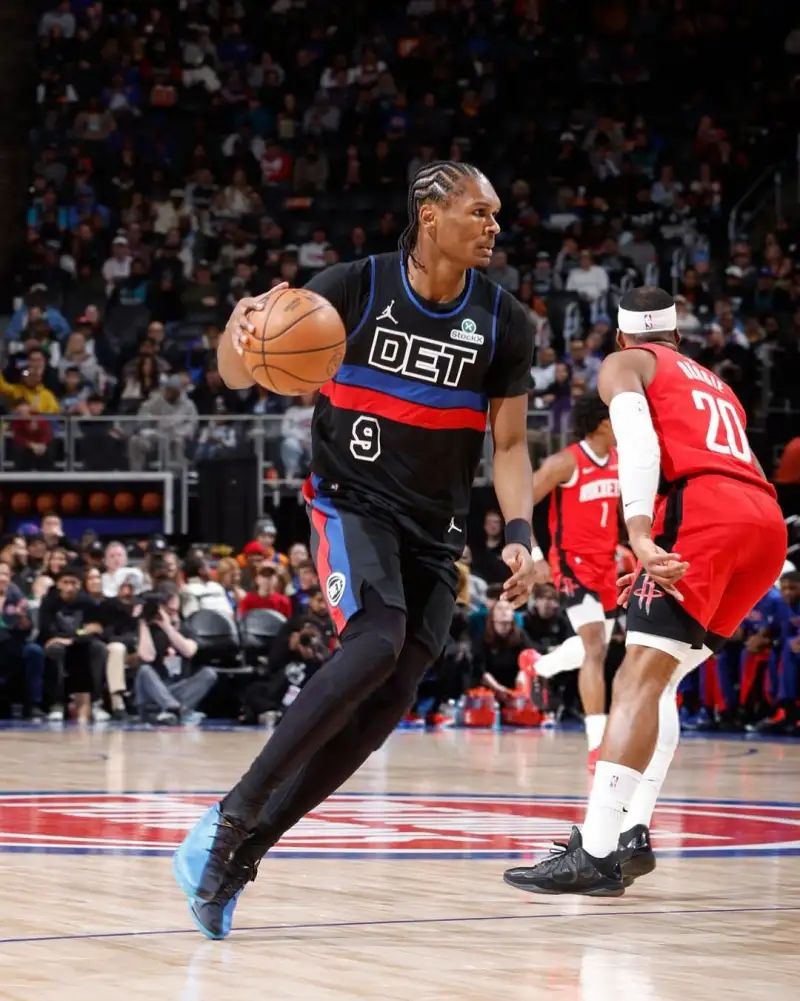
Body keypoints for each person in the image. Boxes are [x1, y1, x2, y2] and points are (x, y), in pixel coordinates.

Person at [175, 159, 548, 938]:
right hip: (349, 501)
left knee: (386, 702)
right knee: (375, 641)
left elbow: (510, 445)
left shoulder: (506, 320)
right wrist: (241, 330)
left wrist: (521, 535)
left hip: (436, 529)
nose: (494, 226)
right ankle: (230, 815)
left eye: (496, 215)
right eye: (479, 212)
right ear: (431, 215)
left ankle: (236, 857)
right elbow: (238, 372)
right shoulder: (356, 285)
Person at [504, 286, 787, 897]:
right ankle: (632, 830)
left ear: (622, 336)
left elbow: (638, 440)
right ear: (678, 337)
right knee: (664, 677)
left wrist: (638, 533)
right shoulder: (717, 384)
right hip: (763, 522)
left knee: (636, 677)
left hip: (704, 514)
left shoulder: (626, 363)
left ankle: (596, 849)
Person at [524, 392, 619, 768]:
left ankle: (539, 666)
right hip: (572, 564)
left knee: (596, 648)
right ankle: (598, 745)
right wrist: (535, 556)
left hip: (607, 565)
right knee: (594, 647)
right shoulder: (565, 462)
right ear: (603, 423)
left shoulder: (621, 460)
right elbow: (519, 503)